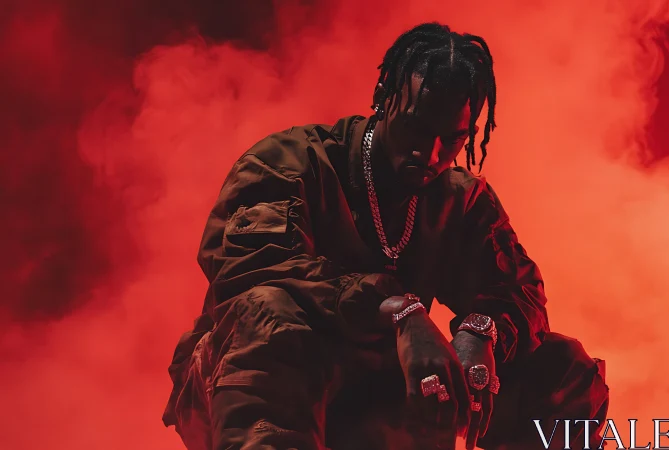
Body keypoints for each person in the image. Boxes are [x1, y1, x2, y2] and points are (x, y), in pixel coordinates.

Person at [162, 22, 609, 450]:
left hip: (374, 395)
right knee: (268, 311)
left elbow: (521, 291)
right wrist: (398, 310)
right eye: (416, 127)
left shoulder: (460, 199)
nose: (430, 154)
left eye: (451, 139)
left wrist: (482, 332)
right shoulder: (289, 162)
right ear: (382, 97)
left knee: (562, 367)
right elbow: (253, 270)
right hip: (248, 381)